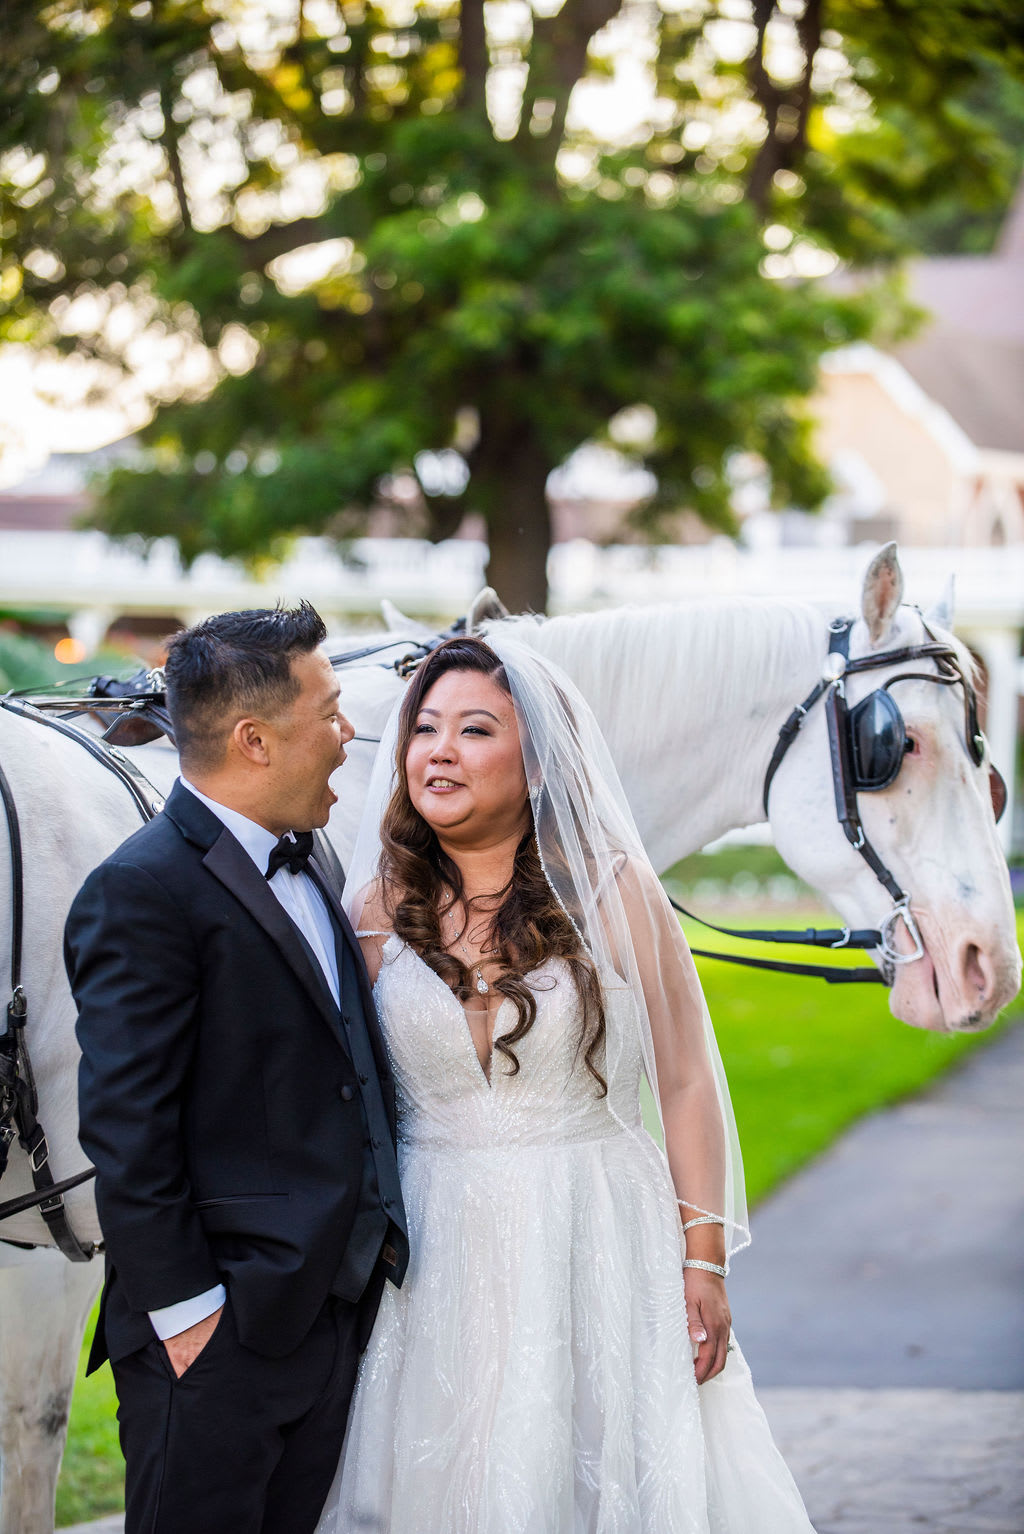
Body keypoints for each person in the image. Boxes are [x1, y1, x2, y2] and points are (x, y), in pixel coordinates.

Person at [317, 632, 815, 1533]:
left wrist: (702, 1258)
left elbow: (688, 1078)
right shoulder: (377, 905)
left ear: (539, 765)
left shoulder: (613, 891)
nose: (439, 750)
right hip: (434, 1251)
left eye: (474, 729)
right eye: (424, 728)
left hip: (591, 1229)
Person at [65, 603, 408, 1534]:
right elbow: (126, 1133)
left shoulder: (319, 854)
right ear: (256, 740)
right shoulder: (140, 891)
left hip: (327, 1314)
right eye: (332, 712)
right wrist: (190, 1321)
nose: (348, 737)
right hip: (217, 1341)